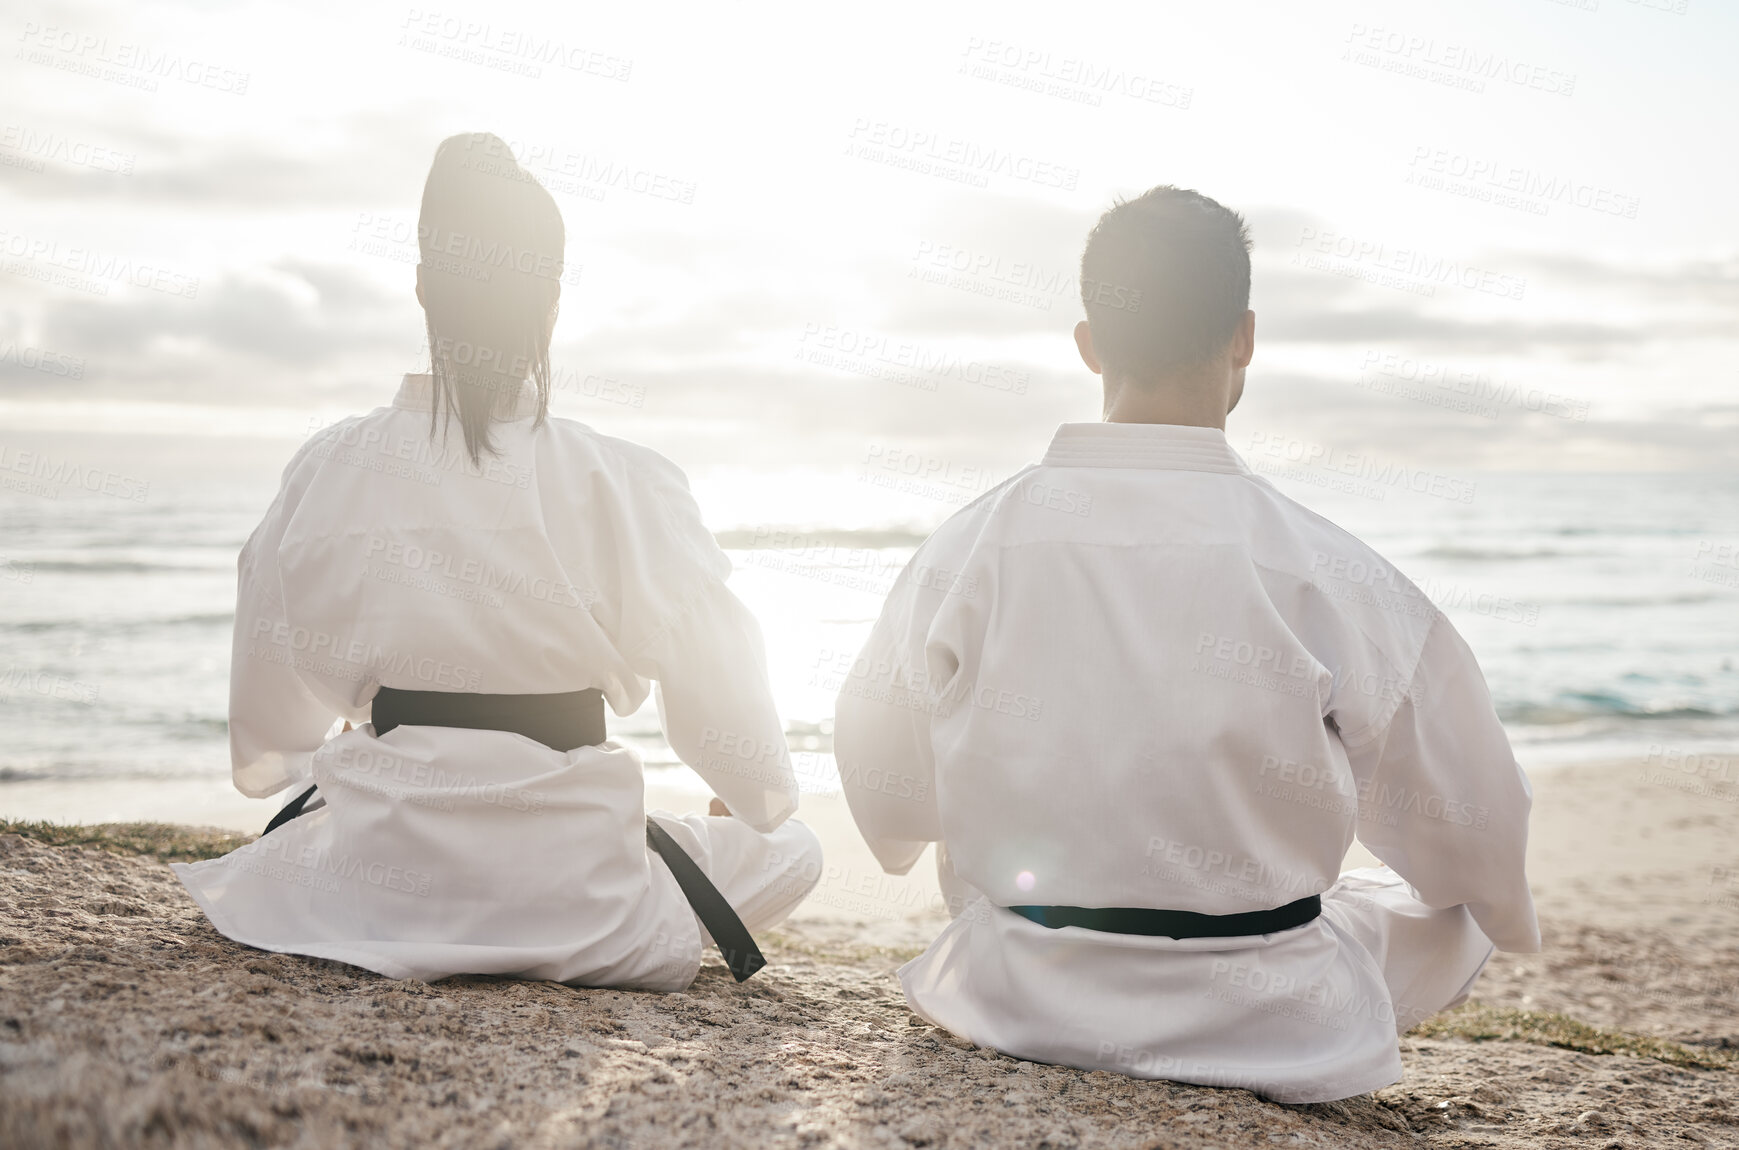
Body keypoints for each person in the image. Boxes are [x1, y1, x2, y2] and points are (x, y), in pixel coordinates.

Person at [833, 186, 1539, 1103]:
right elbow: (1480, 828)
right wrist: (1492, 903)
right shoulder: (1328, 568)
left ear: (1089, 344)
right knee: (1459, 916)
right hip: (1270, 1019)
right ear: (1243, 336)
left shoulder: (969, 544)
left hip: (1020, 993)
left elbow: (886, 789)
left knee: (964, 835)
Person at [174, 132, 820, 991]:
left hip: (380, 884)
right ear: (551, 305)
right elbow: (748, 754)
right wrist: (747, 802)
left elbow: (269, 745)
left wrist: (327, 769)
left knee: (309, 822)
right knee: (794, 847)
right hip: (579, 897)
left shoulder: (328, 468)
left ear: (421, 289)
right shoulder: (625, 482)